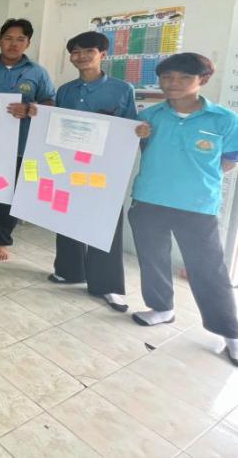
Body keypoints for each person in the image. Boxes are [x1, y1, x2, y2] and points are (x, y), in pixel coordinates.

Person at [128, 52, 238, 366]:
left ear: (202, 80)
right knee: (153, 259)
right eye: (167, 77)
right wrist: (140, 137)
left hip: (197, 205)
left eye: (183, 78)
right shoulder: (151, 116)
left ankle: (230, 333)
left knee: (209, 270)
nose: (173, 83)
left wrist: (196, 179)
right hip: (149, 199)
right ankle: (161, 308)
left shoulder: (224, 119)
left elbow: (230, 159)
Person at [47, 31, 136, 312]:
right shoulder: (66, 90)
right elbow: (57, 124)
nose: (81, 57)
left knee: (105, 222)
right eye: (75, 52)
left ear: (102, 55)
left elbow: (130, 130)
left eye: (88, 51)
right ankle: (69, 270)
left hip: (104, 168)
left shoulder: (122, 90)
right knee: (66, 214)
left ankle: (107, 285)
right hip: (69, 164)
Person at [0, 18, 55, 261]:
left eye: (20, 39)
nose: (13, 44)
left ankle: (2, 240)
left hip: (20, 145)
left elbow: (50, 101)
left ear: (28, 43)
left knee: (11, 193)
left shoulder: (37, 72)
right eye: (8, 38)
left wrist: (31, 108)